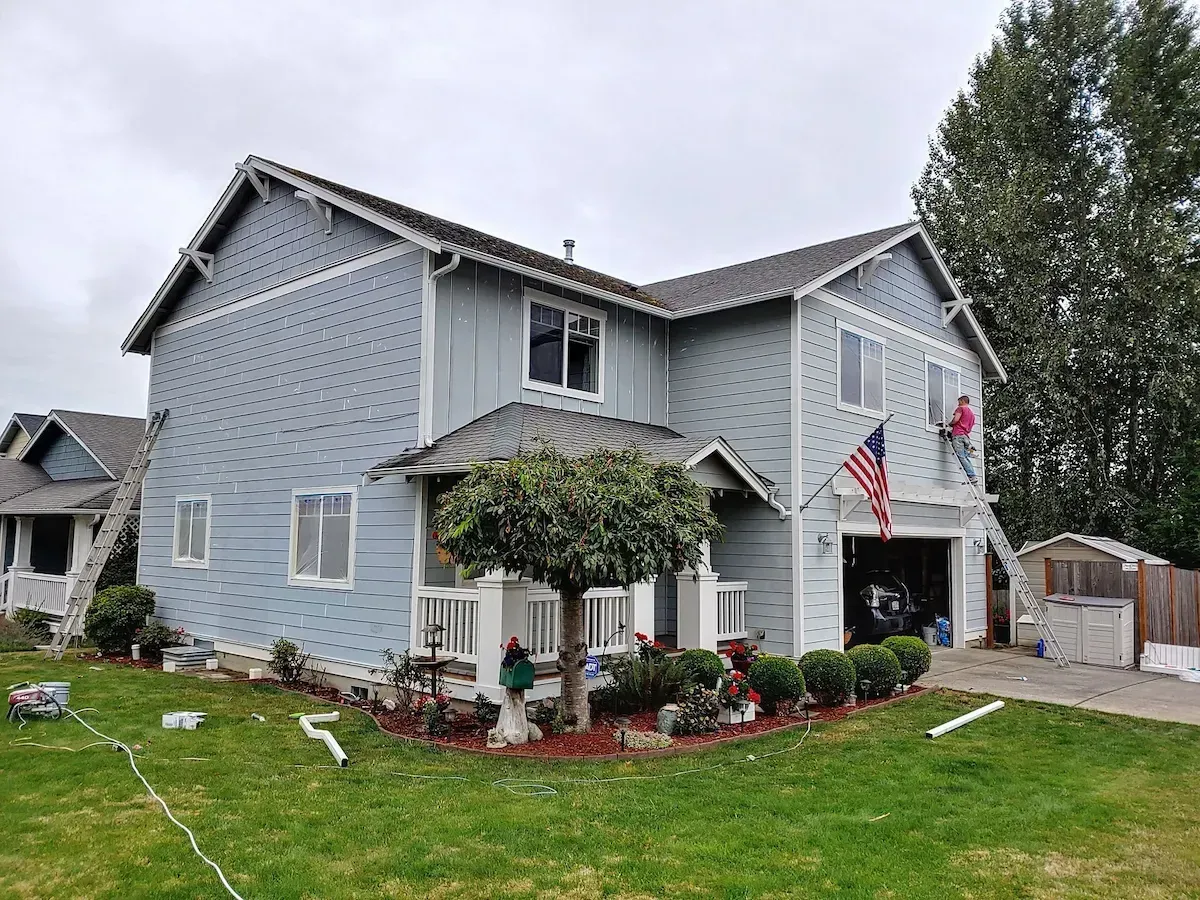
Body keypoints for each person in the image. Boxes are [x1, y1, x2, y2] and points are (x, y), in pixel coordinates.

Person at [948, 394, 977, 483]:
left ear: (963, 401)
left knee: (961, 456)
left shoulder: (961, 408)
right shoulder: (971, 414)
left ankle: (971, 475)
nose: (958, 404)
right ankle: (972, 474)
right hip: (965, 436)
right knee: (965, 457)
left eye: (959, 402)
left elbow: (956, 419)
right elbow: (971, 425)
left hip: (958, 435)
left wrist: (950, 424)